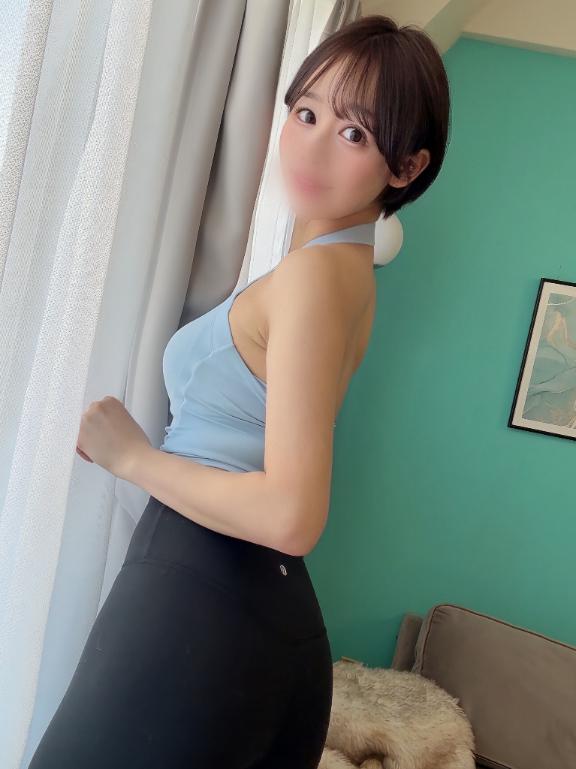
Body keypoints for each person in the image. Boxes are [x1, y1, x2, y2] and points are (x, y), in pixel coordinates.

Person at [28, 14, 450, 769]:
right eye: (306, 113)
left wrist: (133, 458)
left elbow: (293, 515)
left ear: (406, 167)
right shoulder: (342, 270)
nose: (312, 146)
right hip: (243, 613)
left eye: (354, 133)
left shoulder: (316, 277)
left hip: (208, 608)